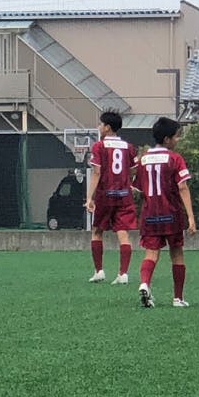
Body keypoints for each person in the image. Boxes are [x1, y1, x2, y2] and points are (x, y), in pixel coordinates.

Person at [133, 117, 197, 308]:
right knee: (176, 254)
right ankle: (178, 298)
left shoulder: (143, 159)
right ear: (167, 139)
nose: (178, 140)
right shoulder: (174, 158)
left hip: (150, 215)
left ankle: (145, 284)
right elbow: (182, 187)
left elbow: (138, 189)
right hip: (171, 213)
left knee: (151, 253)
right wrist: (191, 217)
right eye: (176, 136)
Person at [84, 110, 137, 284]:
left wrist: (89, 197)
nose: (99, 127)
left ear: (107, 127)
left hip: (105, 195)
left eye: (100, 124)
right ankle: (123, 274)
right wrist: (128, 183)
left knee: (97, 231)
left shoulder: (99, 146)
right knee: (123, 233)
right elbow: (133, 169)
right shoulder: (128, 147)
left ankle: (99, 271)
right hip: (124, 195)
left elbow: (96, 172)